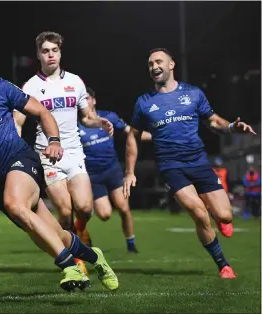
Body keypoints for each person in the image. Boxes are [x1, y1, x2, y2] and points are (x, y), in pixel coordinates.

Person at [0, 40, 118, 291]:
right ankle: (96, 258)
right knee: (51, 233)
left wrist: (54, 141)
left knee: (15, 205)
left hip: (21, 159)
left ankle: (70, 266)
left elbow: (42, 112)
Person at [123, 48, 257, 279]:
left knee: (225, 216)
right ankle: (223, 265)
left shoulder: (193, 93)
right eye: (150, 64)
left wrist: (232, 128)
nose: (154, 67)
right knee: (199, 214)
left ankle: (219, 216)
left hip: (199, 162)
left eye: (158, 62)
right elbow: (132, 137)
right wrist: (129, 172)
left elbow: (213, 122)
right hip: (170, 167)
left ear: (171, 64)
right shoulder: (144, 102)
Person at [14, 32, 113, 251]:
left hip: (74, 152)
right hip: (47, 155)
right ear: (39, 54)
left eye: (55, 50)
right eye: (46, 51)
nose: (51, 55)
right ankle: (75, 258)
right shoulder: (30, 86)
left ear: (60, 53)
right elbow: (18, 121)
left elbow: (86, 117)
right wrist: (16, 149)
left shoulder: (75, 81)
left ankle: (80, 231)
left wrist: (99, 123)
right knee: (65, 212)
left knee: (86, 208)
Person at [77, 87, 152, 253]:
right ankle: (84, 236)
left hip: (113, 170)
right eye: (82, 99)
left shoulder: (109, 117)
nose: (86, 102)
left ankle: (131, 244)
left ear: (94, 100)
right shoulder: (76, 126)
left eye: (88, 98)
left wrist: (156, 136)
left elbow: (130, 132)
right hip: (93, 176)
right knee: (104, 215)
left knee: (124, 208)